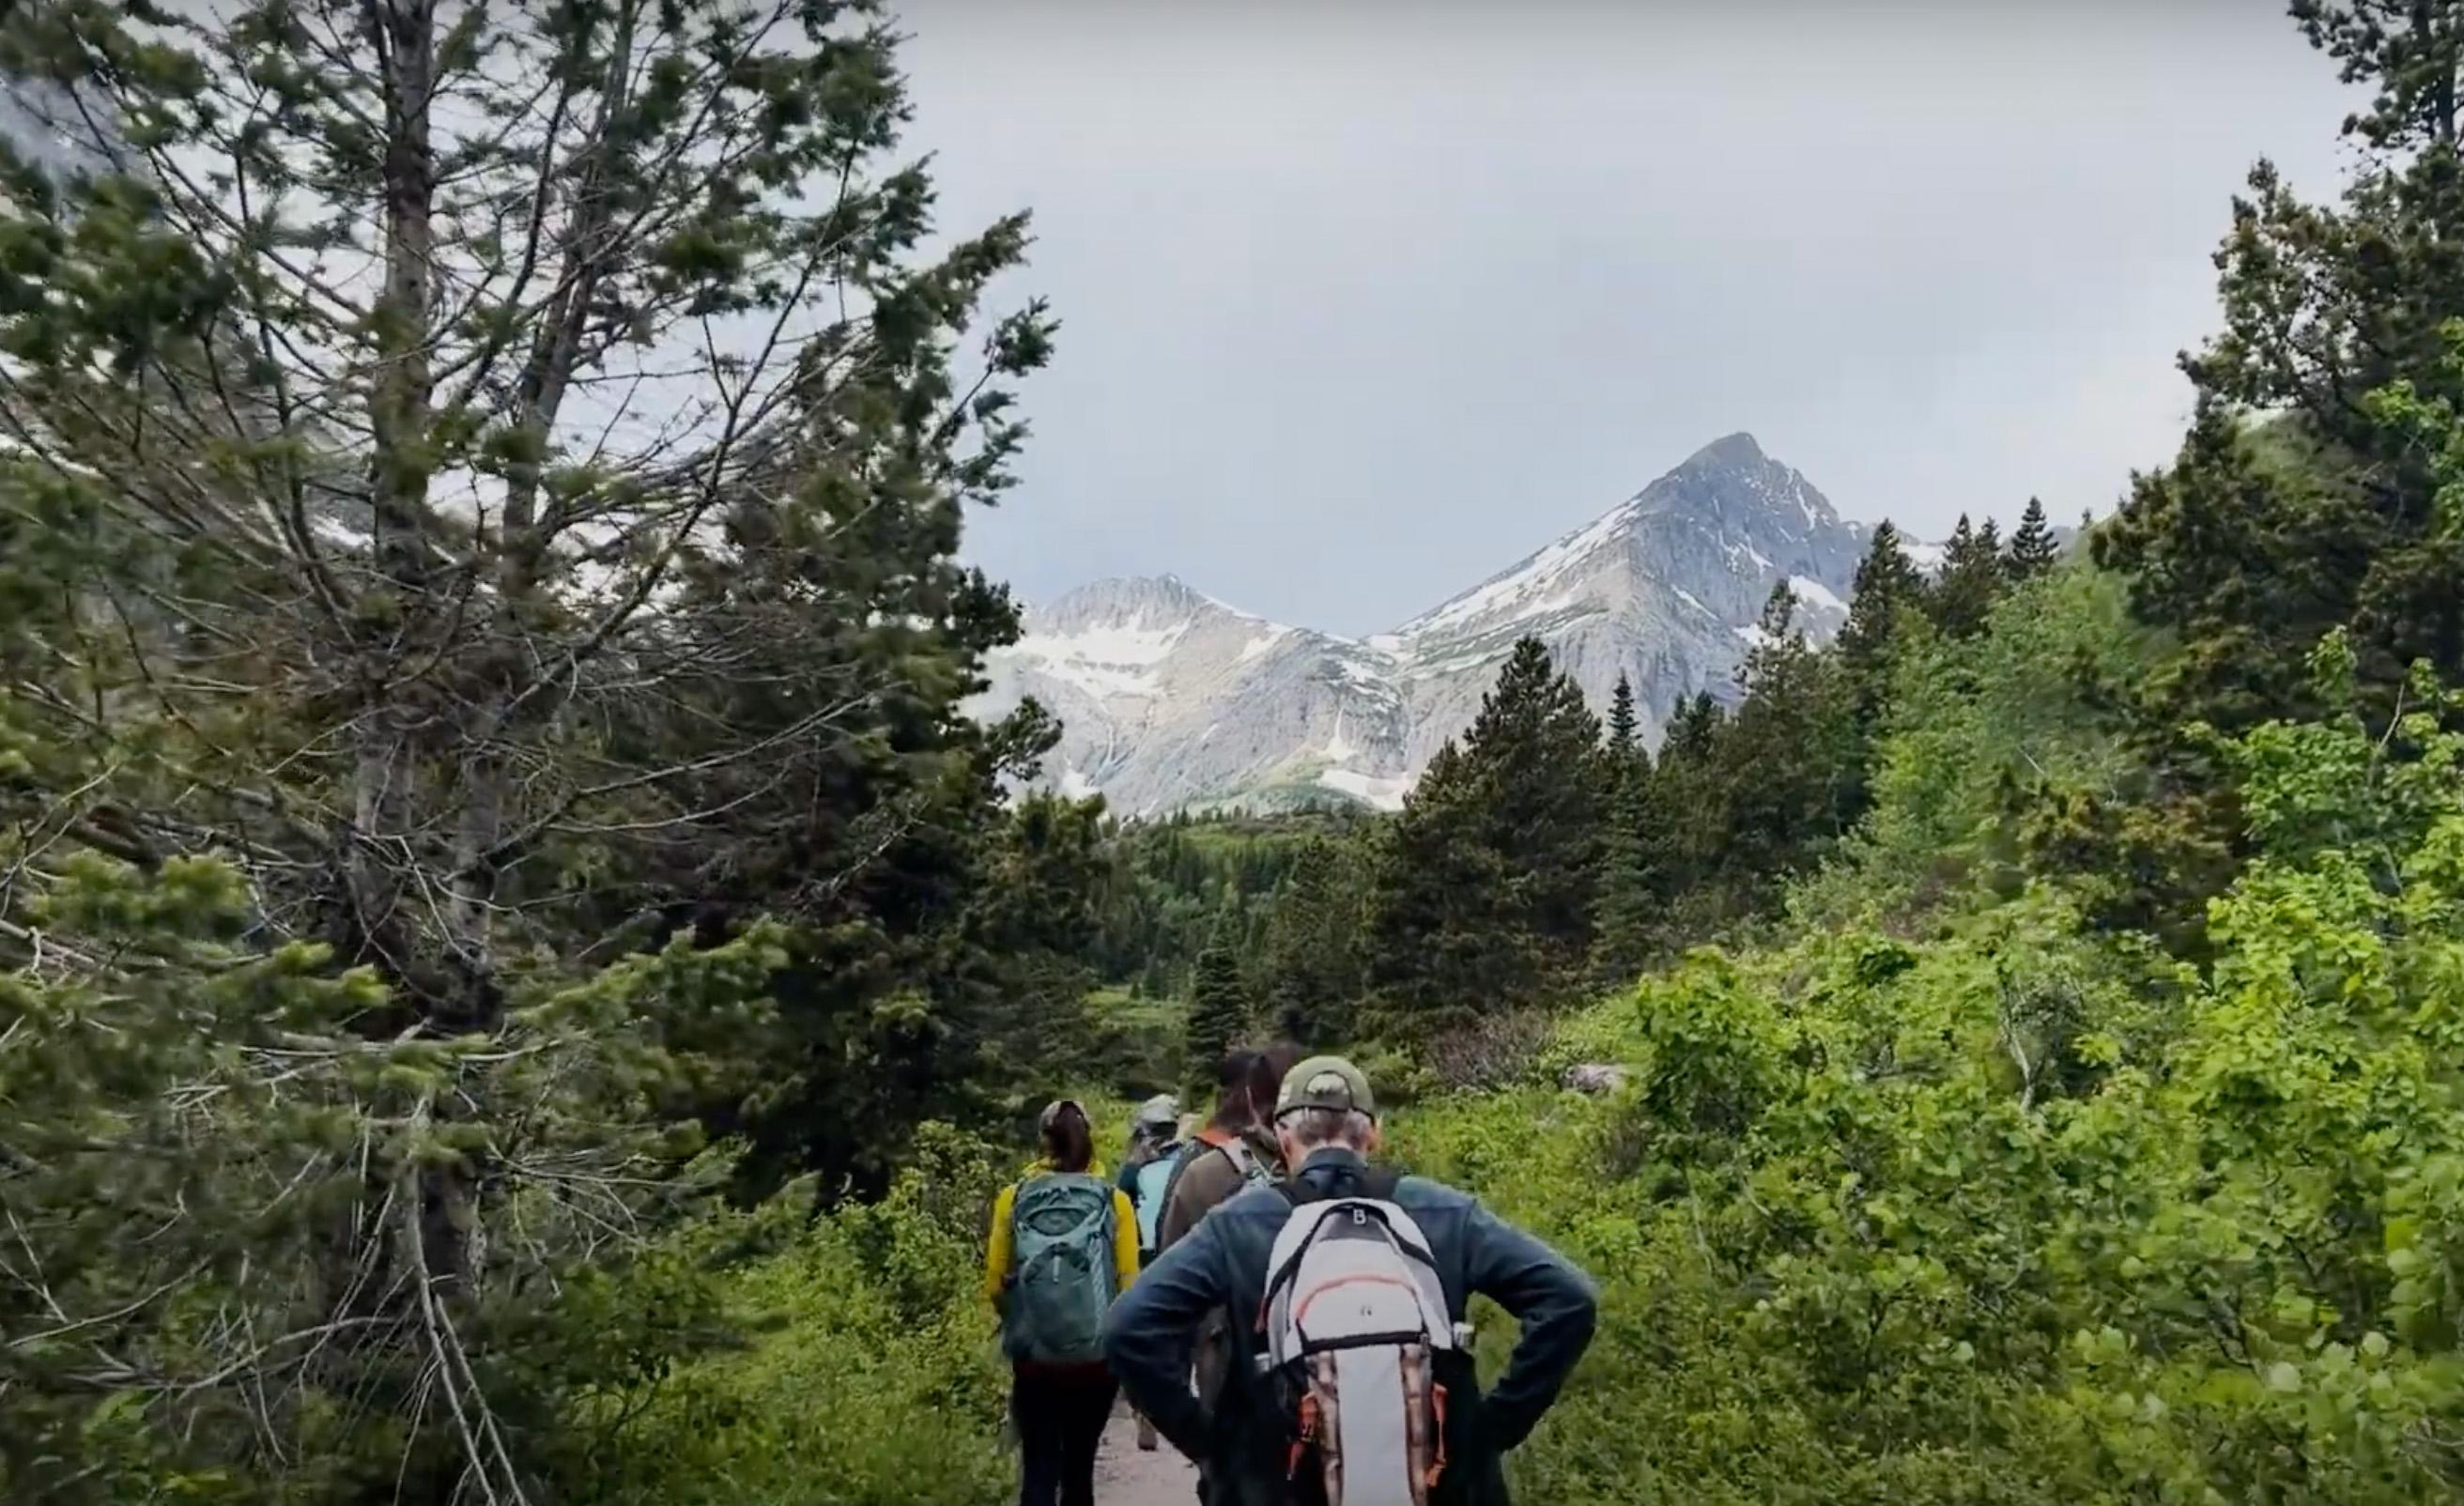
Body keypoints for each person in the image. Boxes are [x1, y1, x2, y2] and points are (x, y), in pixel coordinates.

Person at [1101, 1057, 1597, 1506]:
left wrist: (1210, 1443)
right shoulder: (1444, 1212)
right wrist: (1491, 1429)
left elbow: (1128, 1327)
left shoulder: (1239, 1225)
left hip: (1270, 1487)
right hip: (1442, 1487)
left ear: (1284, 1135)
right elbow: (1569, 1299)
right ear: (1373, 1134)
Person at [984, 1099, 1140, 1506]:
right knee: (1078, 1471)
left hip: (1035, 1360)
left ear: (1042, 1142)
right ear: (1090, 1140)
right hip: (1095, 1362)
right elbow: (1130, 1286)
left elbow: (994, 1284)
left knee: (1039, 1467)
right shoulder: (1114, 1201)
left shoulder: (1013, 1198)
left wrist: (1022, 1325)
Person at [1116, 1093, 1182, 1451]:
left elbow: (1117, 1207)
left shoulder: (1135, 1169)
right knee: (1173, 1338)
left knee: (1138, 1334)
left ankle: (1142, 1406)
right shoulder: (1187, 1162)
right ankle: (1168, 1406)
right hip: (1177, 1254)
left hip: (1141, 1259)